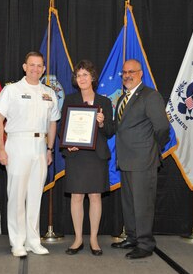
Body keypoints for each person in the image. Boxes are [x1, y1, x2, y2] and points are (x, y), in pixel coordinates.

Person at [0, 51, 60, 257]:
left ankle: (33, 240)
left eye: (39, 66)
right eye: (32, 65)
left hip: (40, 146)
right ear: (24, 67)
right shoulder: (11, 90)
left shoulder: (49, 92)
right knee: (16, 196)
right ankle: (17, 242)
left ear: (44, 69)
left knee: (35, 196)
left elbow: (53, 122)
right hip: (17, 144)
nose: (35, 69)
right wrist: (1, 149)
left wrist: (49, 149)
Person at [111, 59, 170, 259]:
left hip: (144, 160)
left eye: (132, 72)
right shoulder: (123, 98)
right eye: (124, 72)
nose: (127, 75)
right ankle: (133, 236)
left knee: (143, 203)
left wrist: (152, 148)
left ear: (141, 73)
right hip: (126, 159)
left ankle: (145, 244)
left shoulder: (150, 96)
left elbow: (162, 127)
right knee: (129, 202)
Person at [60, 60, 114, 256]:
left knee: (95, 196)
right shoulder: (69, 99)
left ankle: (93, 239)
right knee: (76, 196)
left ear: (92, 77)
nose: (81, 78)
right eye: (78, 75)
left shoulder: (105, 102)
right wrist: (68, 143)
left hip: (96, 156)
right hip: (76, 155)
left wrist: (101, 123)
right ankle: (77, 239)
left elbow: (110, 131)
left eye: (85, 74)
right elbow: (62, 128)